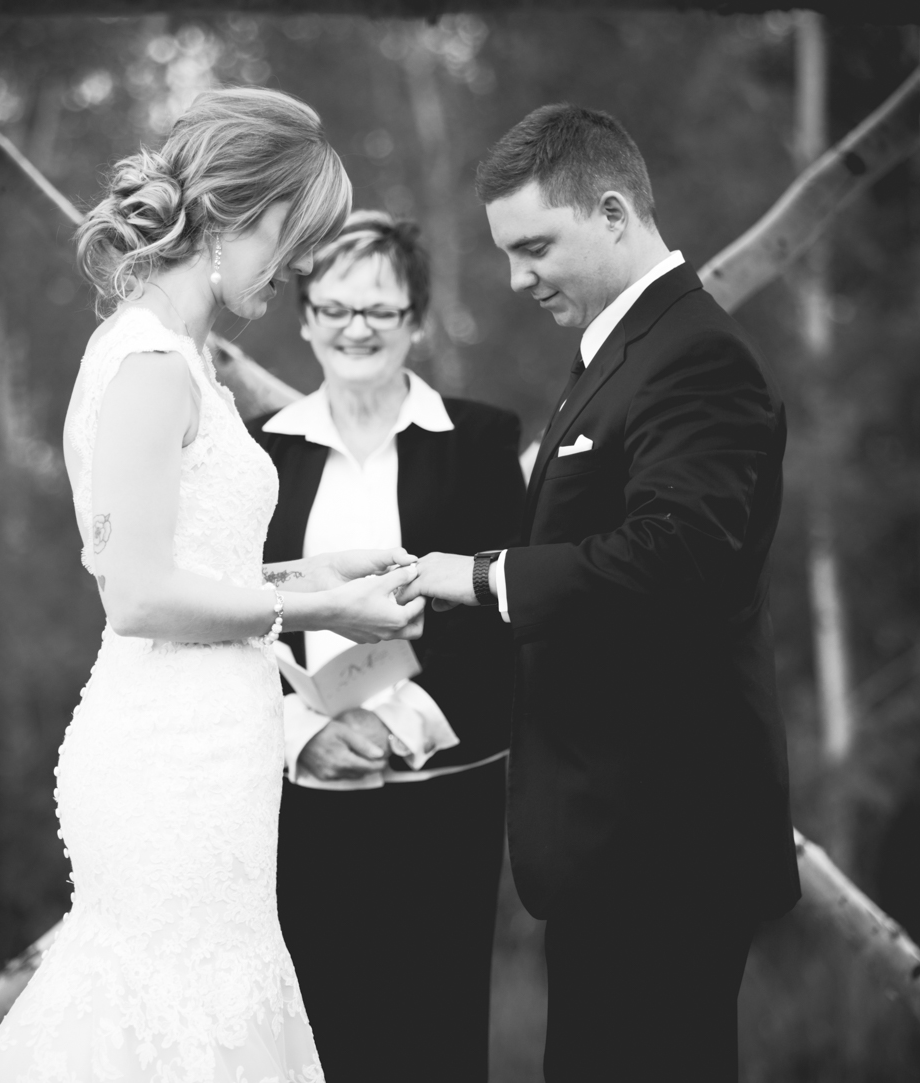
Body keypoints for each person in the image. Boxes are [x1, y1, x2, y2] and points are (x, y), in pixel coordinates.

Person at [0, 87, 427, 1083]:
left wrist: (315, 570)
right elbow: (134, 598)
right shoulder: (148, 366)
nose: (301, 265)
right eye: (297, 239)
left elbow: (189, 569)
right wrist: (323, 608)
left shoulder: (186, 363)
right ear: (238, 216)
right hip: (163, 761)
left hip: (218, 757)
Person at [405, 104, 800, 1081]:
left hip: (666, 845)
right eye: (506, 252)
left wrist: (481, 575)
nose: (516, 279)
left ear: (614, 212)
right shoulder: (618, 352)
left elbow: (672, 559)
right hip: (612, 842)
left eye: (534, 247)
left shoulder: (694, 358)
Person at [249, 211, 523, 1083]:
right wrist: (305, 734)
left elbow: (508, 615)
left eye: (378, 310)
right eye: (333, 308)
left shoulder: (481, 441)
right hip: (298, 798)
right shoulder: (265, 458)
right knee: (317, 1035)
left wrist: (403, 723)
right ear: (303, 317)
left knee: (434, 1038)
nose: (354, 329)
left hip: (443, 795)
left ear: (415, 318)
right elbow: (237, 619)